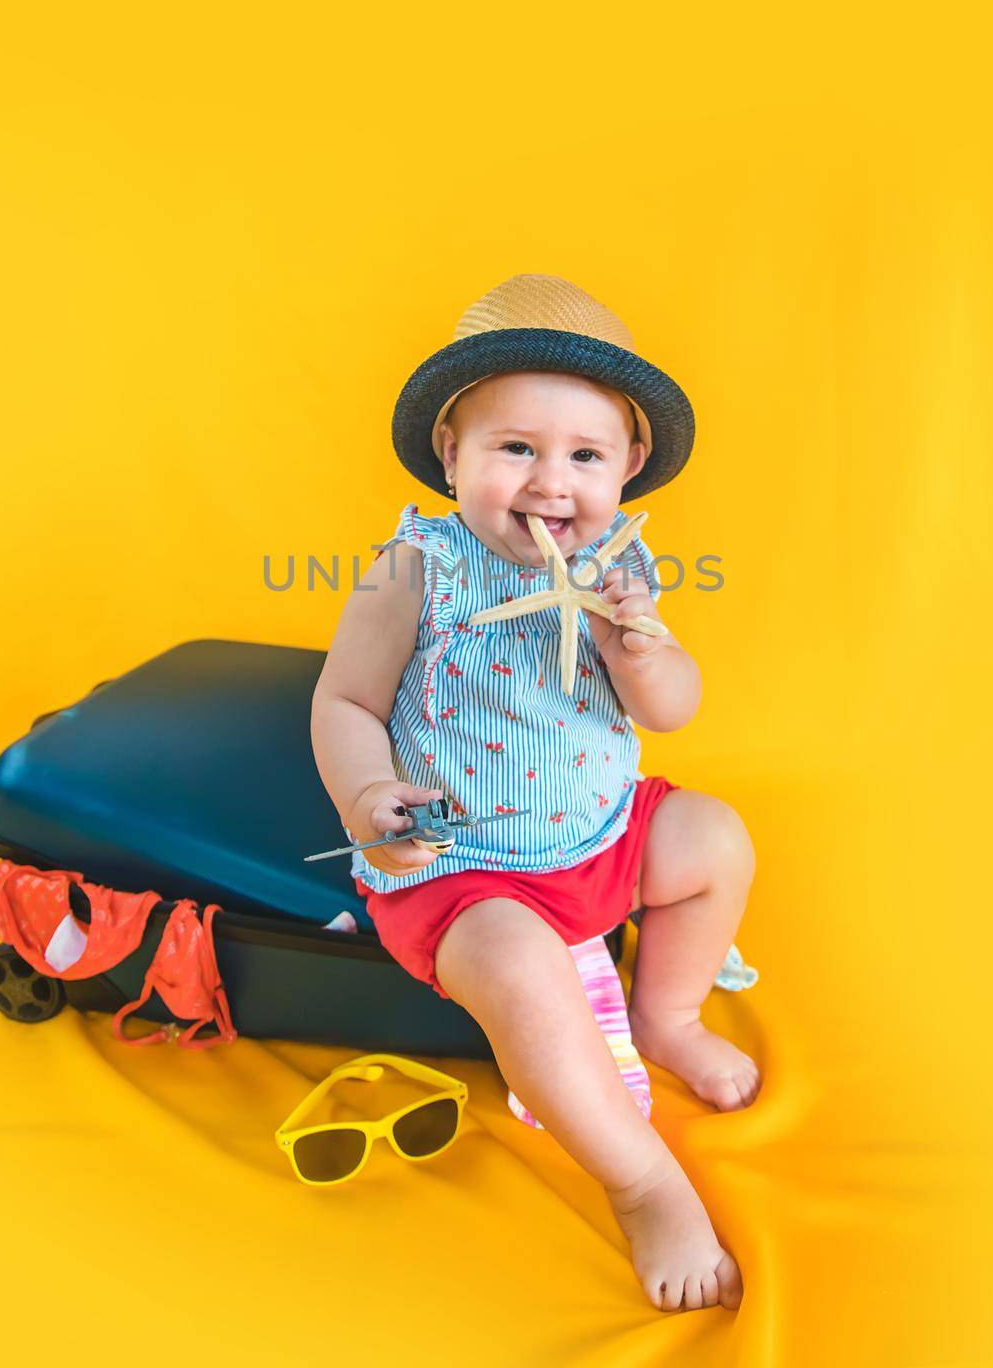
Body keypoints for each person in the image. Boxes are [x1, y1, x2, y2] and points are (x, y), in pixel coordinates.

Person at [311, 273, 759, 1314]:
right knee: (516, 967)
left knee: (715, 837)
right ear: (450, 453)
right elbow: (342, 698)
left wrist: (635, 643)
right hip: (465, 869)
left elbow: (674, 708)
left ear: (629, 467)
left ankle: (669, 1013)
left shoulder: (616, 570)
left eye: (584, 456)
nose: (548, 482)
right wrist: (368, 793)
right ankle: (641, 1178)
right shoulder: (415, 567)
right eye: (514, 447)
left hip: (600, 837)